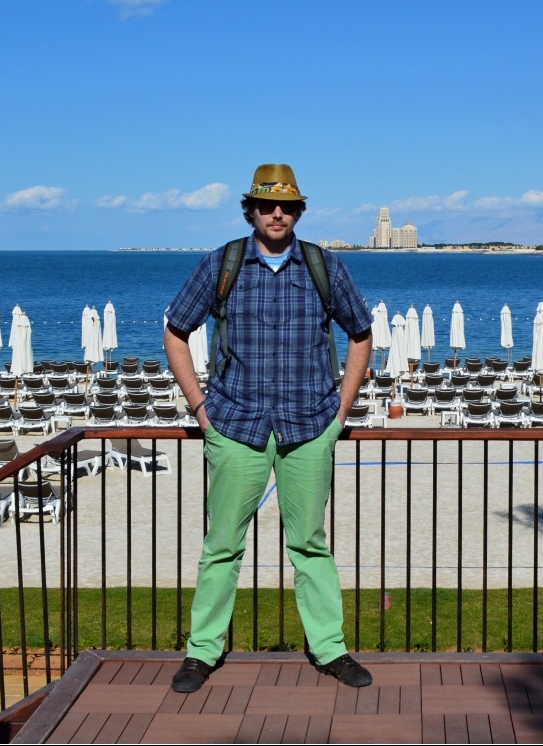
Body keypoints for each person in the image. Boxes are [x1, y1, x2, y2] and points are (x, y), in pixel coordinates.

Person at [162, 163, 375, 693]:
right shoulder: (222, 264)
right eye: (265, 204)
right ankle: (201, 652)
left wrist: (340, 413)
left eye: (286, 205)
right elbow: (175, 330)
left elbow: (361, 334)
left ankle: (330, 649)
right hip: (235, 426)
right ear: (251, 211)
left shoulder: (325, 267)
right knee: (221, 546)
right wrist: (200, 408)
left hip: (310, 427)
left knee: (310, 545)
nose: (276, 213)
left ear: (298, 212)